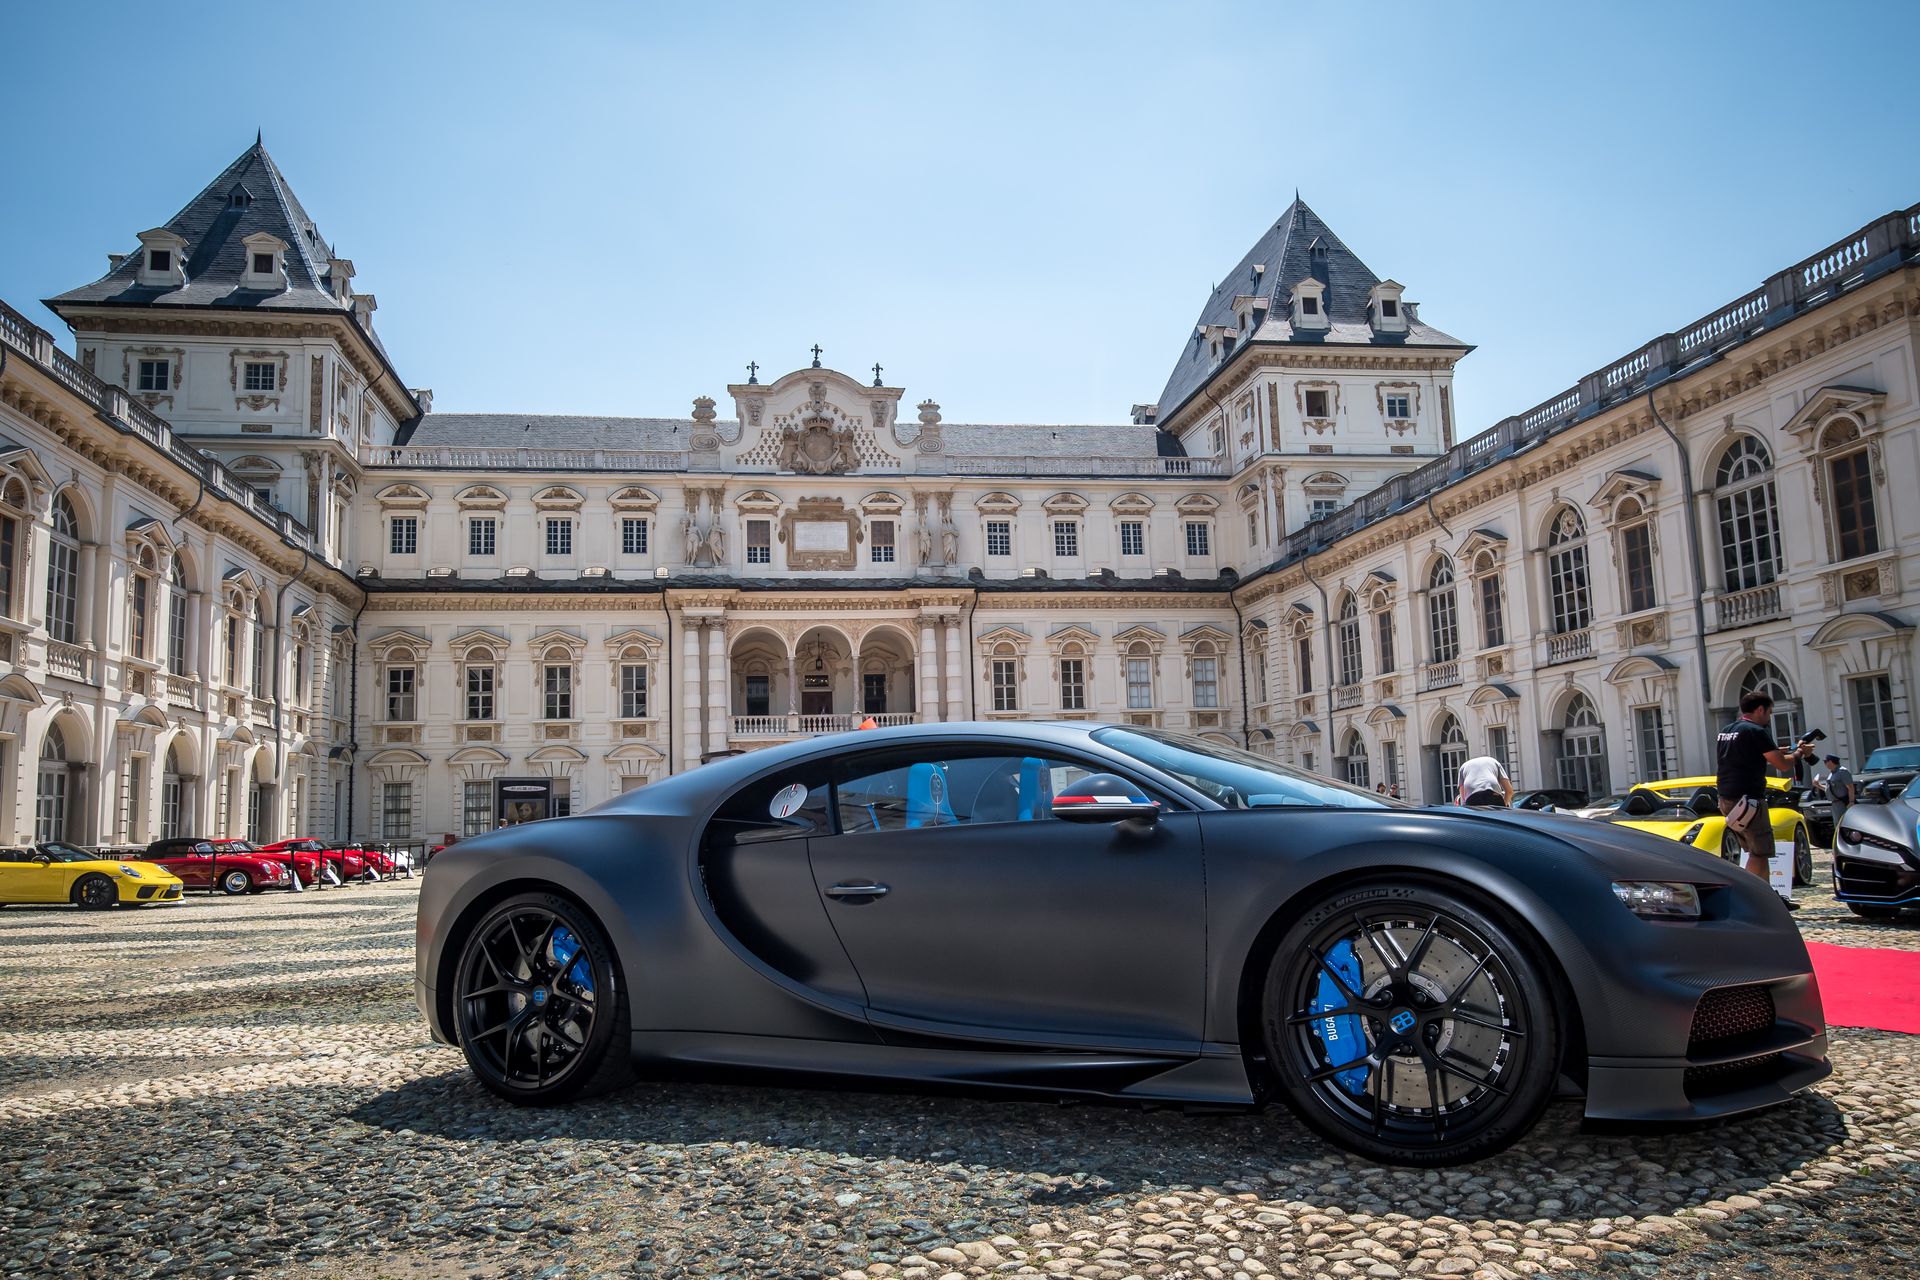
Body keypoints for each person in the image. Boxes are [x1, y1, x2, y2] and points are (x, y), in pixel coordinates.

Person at [1715, 691, 1814, 905]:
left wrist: (1777, 750)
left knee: (1757, 850)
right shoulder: (1756, 731)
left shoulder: (1727, 731)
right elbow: (1782, 764)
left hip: (1727, 798)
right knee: (1758, 853)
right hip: (1748, 799)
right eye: (1769, 712)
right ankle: (1750, 899)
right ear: (1760, 709)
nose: (1769, 717)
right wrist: (1799, 754)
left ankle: (1768, 897)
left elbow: (1744, 755)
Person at [1823, 752, 1856, 839]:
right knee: (1837, 826)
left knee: (1844, 825)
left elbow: (1850, 788)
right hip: (1834, 803)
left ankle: (1848, 842)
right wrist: (1817, 785)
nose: (1825, 763)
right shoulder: (1832, 774)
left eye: (1825, 761)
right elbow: (1830, 789)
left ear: (1831, 761)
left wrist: (1851, 802)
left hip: (1843, 803)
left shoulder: (1842, 771)